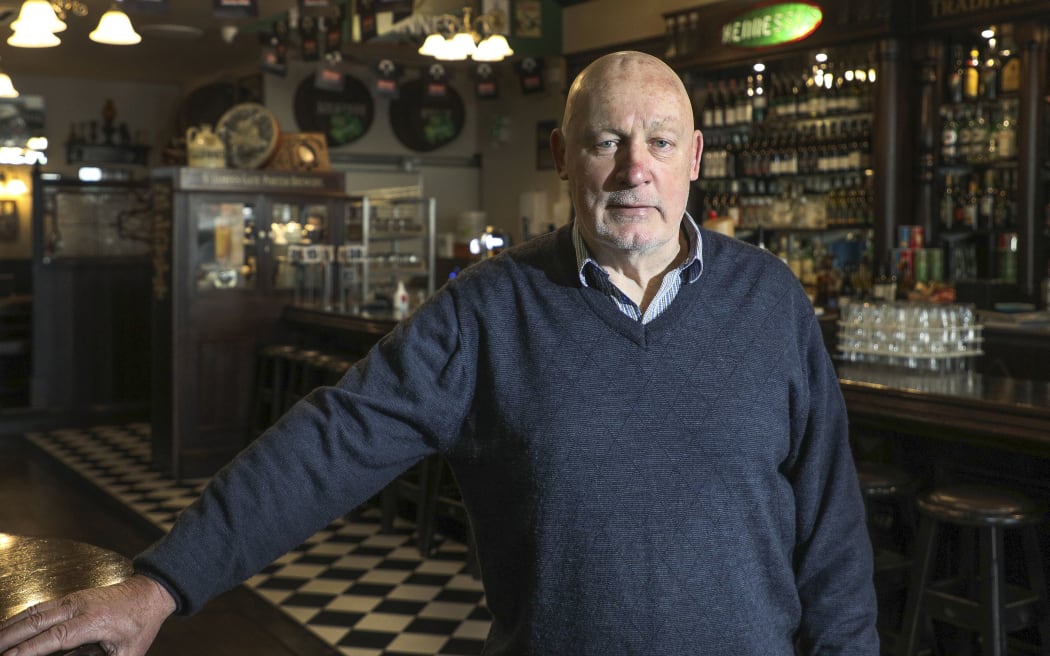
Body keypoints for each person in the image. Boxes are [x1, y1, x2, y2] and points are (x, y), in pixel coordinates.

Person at [0, 51, 877, 655]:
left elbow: (832, 532)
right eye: (606, 140)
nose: (631, 169)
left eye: (657, 142)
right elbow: (330, 441)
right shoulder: (489, 311)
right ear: (567, 155)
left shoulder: (770, 301)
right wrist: (161, 586)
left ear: (695, 158)